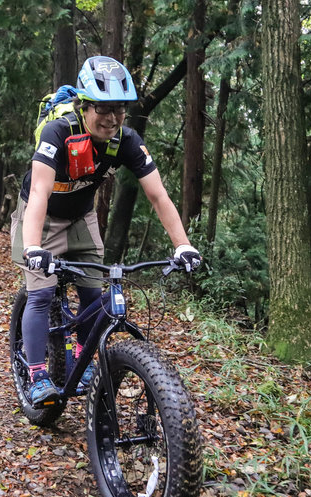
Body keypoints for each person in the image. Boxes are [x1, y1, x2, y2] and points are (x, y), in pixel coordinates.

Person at [11, 56, 202, 407]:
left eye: (119, 109)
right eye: (102, 108)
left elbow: (158, 195)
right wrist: (34, 246)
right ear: (84, 106)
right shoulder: (58, 133)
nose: (111, 118)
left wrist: (183, 245)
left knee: (94, 295)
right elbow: (38, 192)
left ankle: (81, 359)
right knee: (40, 293)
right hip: (42, 216)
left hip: (81, 215)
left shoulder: (126, 140)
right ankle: (37, 374)